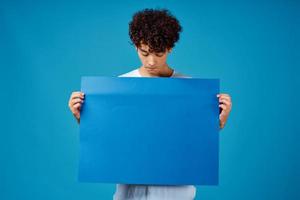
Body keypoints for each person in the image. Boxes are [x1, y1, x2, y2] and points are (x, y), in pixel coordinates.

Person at [68, 8, 232, 200]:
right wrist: (84, 117)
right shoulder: (118, 87)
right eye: (144, 52)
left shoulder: (192, 90)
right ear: (136, 46)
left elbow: (193, 141)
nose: (151, 61)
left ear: (170, 48)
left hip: (176, 194)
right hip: (130, 194)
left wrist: (218, 122)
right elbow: (108, 138)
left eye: (159, 53)